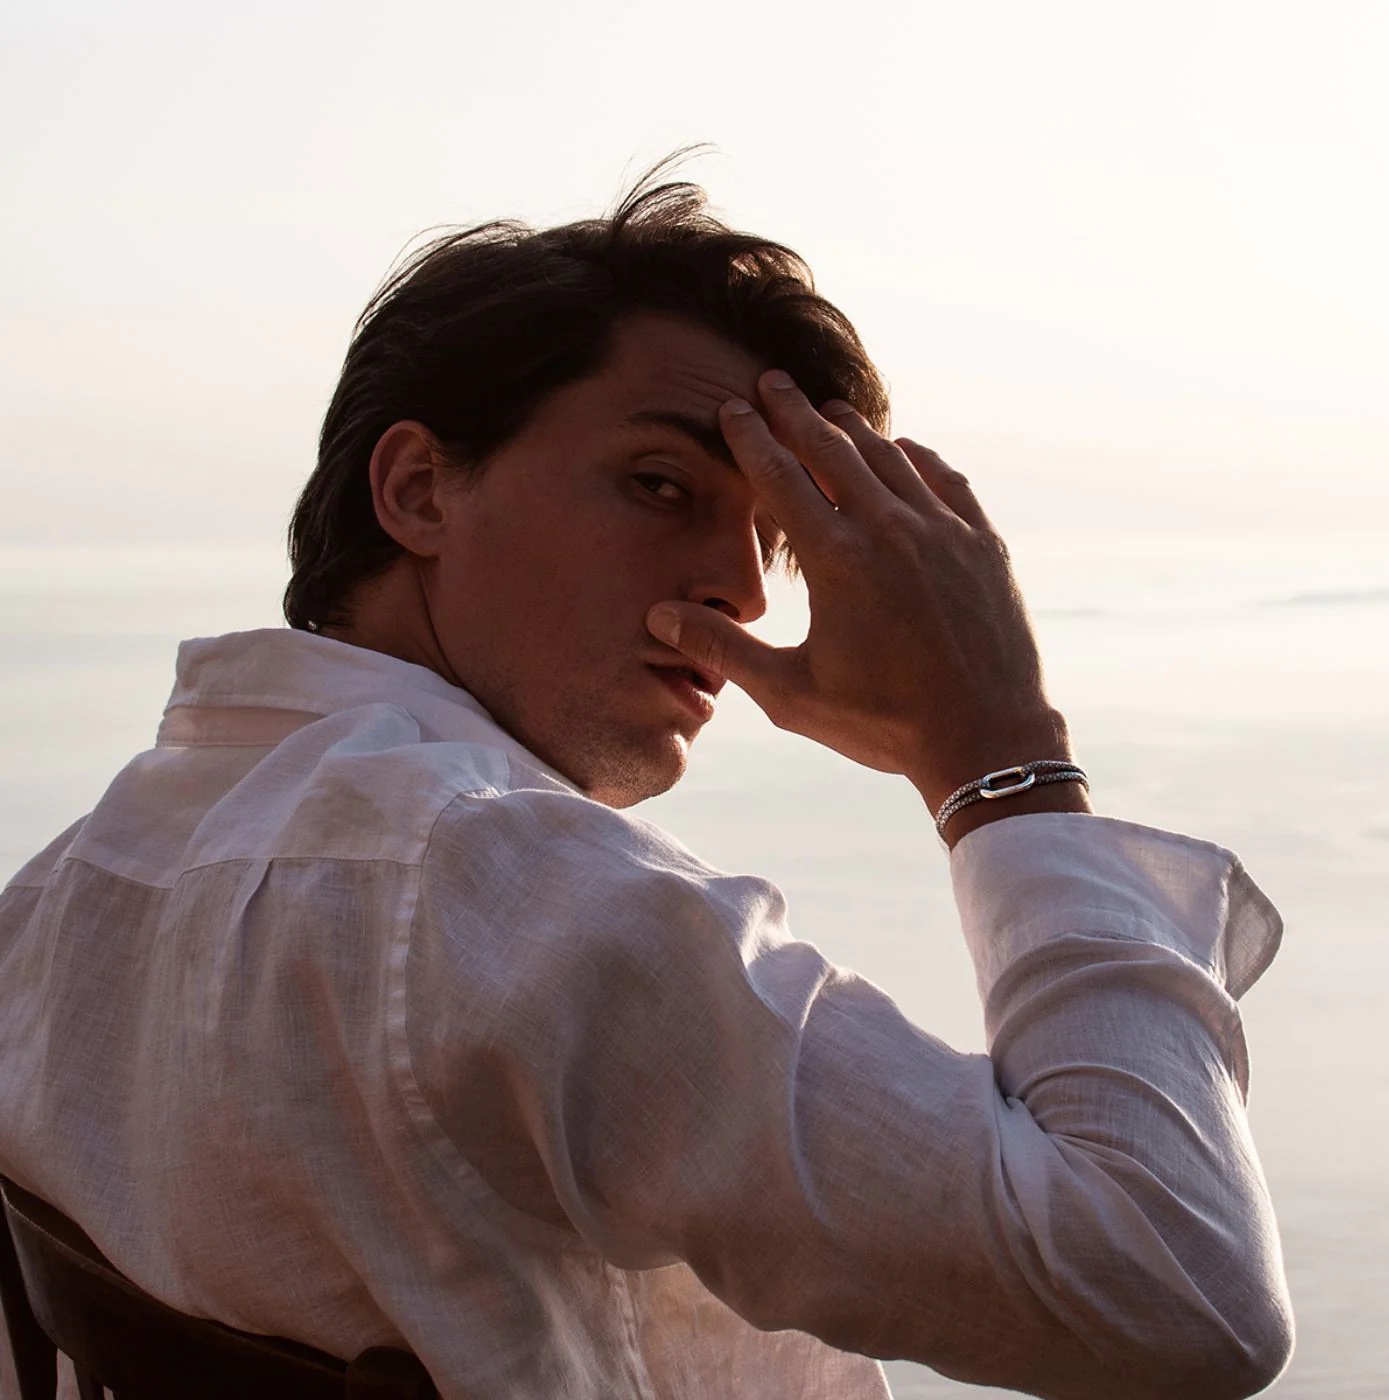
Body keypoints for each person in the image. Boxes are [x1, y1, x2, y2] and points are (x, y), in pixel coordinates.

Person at [0, 165, 1293, 1400]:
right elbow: (1179, 1288)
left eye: (769, 540)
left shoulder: (63, 897)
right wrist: (995, 749)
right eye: (660, 486)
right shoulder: (505, 893)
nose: (740, 590)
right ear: (418, 490)